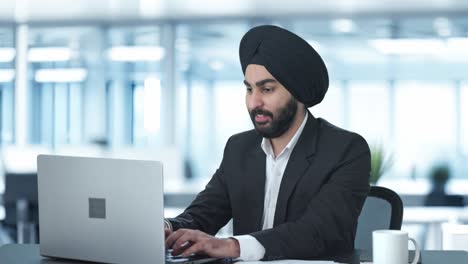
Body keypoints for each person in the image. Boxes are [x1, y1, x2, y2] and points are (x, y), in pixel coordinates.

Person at [165, 25, 371, 261]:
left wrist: (232, 247)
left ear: (298, 92)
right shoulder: (238, 148)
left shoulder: (345, 150)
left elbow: (318, 232)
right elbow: (203, 214)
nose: (254, 102)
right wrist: (167, 229)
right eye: (249, 89)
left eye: (267, 89)